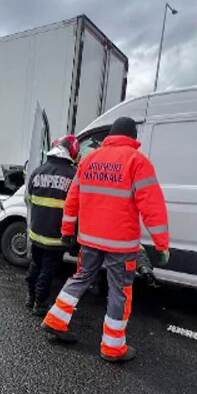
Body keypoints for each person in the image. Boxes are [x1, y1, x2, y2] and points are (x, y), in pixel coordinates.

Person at [41, 117, 170, 362]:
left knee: (81, 277)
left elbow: (73, 199)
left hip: (89, 238)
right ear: (133, 138)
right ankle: (113, 347)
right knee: (119, 291)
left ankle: (56, 319)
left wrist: (67, 232)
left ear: (111, 135)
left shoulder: (89, 159)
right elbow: (153, 207)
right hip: (120, 244)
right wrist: (162, 244)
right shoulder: (137, 161)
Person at [25, 135, 79, 315]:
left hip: (36, 231)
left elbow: (30, 199)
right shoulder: (73, 176)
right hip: (57, 235)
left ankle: (30, 297)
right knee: (48, 270)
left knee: (35, 265)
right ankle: (40, 304)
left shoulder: (38, 171)